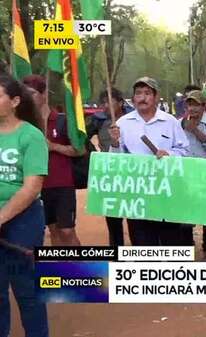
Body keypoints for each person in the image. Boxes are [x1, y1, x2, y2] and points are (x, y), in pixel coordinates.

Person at [109, 76, 189, 246]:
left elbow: (184, 151)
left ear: (156, 96)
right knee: (143, 246)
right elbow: (115, 161)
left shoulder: (170, 122)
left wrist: (169, 154)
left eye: (147, 93)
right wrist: (115, 144)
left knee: (171, 244)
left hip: (166, 193)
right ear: (133, 98)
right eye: (138, 93)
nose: (142, 98)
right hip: (136, 197)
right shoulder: (122, 124)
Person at [0, 74, 49, 337]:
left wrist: (1, 218)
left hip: (22, 222)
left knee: (28, 293)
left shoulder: (31, 136)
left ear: (15, 101)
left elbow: (31, 187)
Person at [23, 75, 82, 246]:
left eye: (32, 93)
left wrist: (53, 146)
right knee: (53, 230)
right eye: (25, 94)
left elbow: (80, 150)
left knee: (67, 231)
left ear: (43, 95)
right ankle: (62, 269)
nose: (29, 98)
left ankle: (79, 269)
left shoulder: (62, 120)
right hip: (38, 186)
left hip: (63, 185)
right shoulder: (26, 125)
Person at [179, 90, 206, 261]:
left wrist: (196, 131)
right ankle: (188, 245)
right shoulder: (179, 123)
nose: (192, 108)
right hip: (187, 174)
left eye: (196, 104)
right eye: (189, 104)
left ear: (204, 106)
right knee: (187, 211)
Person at [86, 88, 128, 246]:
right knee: (112, 216)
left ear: (121, 103)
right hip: (109, 174)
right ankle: (116, 251)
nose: (105, 106)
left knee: (135, 218)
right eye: (103, 103)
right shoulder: (98, 120)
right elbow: (82, 137)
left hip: (133, 175)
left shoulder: (132, 119)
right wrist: (95, 155)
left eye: (109, 102)